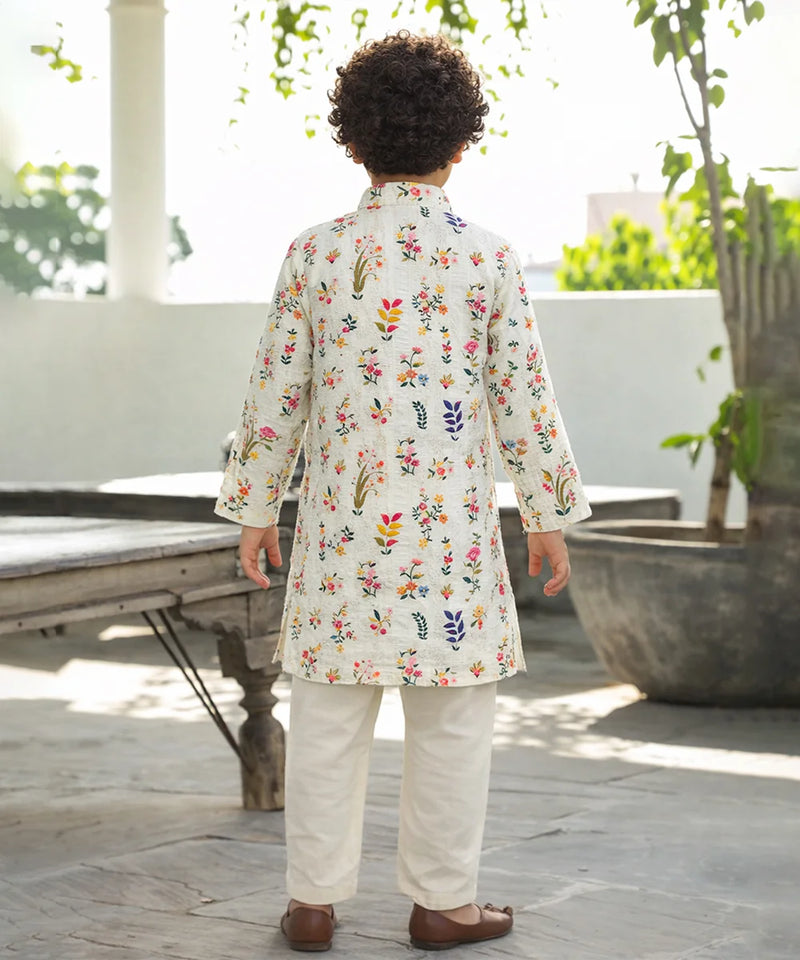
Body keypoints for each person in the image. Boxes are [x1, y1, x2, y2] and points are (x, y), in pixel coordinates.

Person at [214, 31, 591, 952]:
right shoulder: (489, 258)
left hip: (342, 538)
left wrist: (258, 508)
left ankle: (311, 901)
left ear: (353, 140)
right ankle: (443, 903)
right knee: (453, 720)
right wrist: (546, 516)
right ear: (462, 144)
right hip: (448, 545)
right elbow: (523, 401)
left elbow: (276, 397)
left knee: (330, 712)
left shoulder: (315, 254)